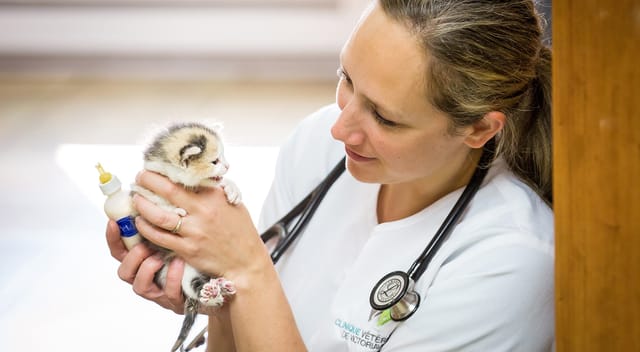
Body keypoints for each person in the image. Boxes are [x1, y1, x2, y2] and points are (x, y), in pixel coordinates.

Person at [106, 0, 553, 350]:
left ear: (478, 128)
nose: (340, 127)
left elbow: (253, 277)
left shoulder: (511, 263)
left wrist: (247, 268)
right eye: (347, 79)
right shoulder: (317, 144)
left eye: (384, 117)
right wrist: (218, 295)